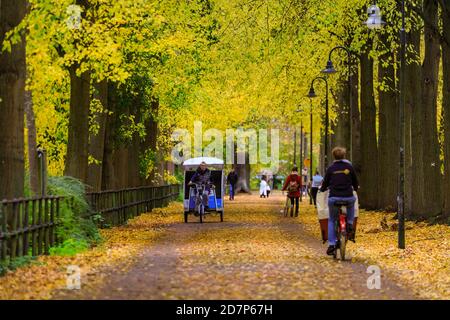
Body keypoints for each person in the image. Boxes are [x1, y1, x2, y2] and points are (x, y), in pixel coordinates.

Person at [319, 147, 359, 256]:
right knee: (351, 203)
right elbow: (355, 181)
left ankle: (331, 244)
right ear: (344, 156)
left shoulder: (331, 168)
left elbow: (325, 183)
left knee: (332, 219)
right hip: (348, 196)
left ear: (334, 156)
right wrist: (355, 188)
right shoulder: (349, 167)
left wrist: (322, 189)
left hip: (334, 198)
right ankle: (350, 224)